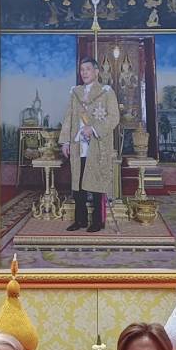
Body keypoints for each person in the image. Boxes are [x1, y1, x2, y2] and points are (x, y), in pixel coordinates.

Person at [59, 56, 120, 234]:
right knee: (78, 183)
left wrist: (93, 129)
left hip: (97, 145)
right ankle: (80, 220)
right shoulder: (75, 92)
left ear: (96, 71)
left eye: (88, 69)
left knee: (97, 183)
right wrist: (65, 141)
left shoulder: (106, 92)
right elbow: (69, 118)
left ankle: (98, 221)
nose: (84, 73)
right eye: (82, 70)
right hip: (78, 145)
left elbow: (114, 118)